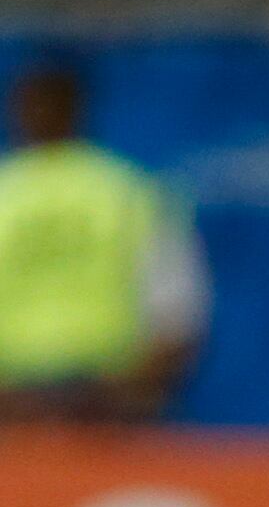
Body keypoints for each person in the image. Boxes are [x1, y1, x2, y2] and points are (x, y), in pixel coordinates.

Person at [0, 55, 207, 420]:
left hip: (62, 409)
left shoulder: (132, 193)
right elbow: (179, 314)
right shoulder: (130, 190)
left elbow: (177, 318)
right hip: (104, 405)